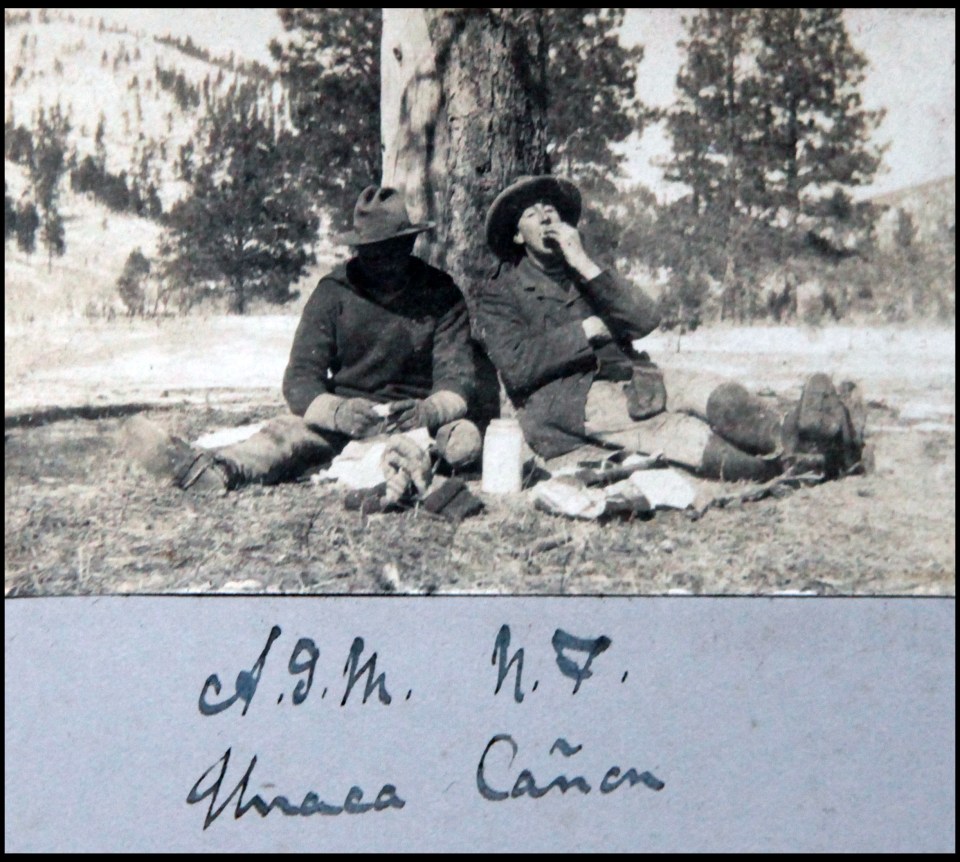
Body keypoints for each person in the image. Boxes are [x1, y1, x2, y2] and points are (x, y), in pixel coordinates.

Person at [476, 175, 865, 481]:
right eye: (532, 214)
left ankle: (795, 434)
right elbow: (516, 366)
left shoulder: (585, 270)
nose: (546, 217)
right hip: (566, 403)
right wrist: (587, 331)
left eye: (550, 210)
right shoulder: (500, 293)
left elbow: (645, 320)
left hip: (634, 376)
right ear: (516, 235)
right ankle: (784, 465)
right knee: (672, 431)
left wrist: (585, 262)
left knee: (707, 390)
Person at [124, 185, 481, 495]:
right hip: (345, 422)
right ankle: (213, 471)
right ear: (358, 249)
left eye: (393, 249)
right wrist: (339, 413)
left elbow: (458, 378)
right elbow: (299, 380)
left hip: (420, 422)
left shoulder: (440, 293)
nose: (384, 261)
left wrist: (429, 411)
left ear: (411, 242)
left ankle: (416, 469)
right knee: (284, 436)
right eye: (373, 251)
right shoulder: (333, 293)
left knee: (465, 441)